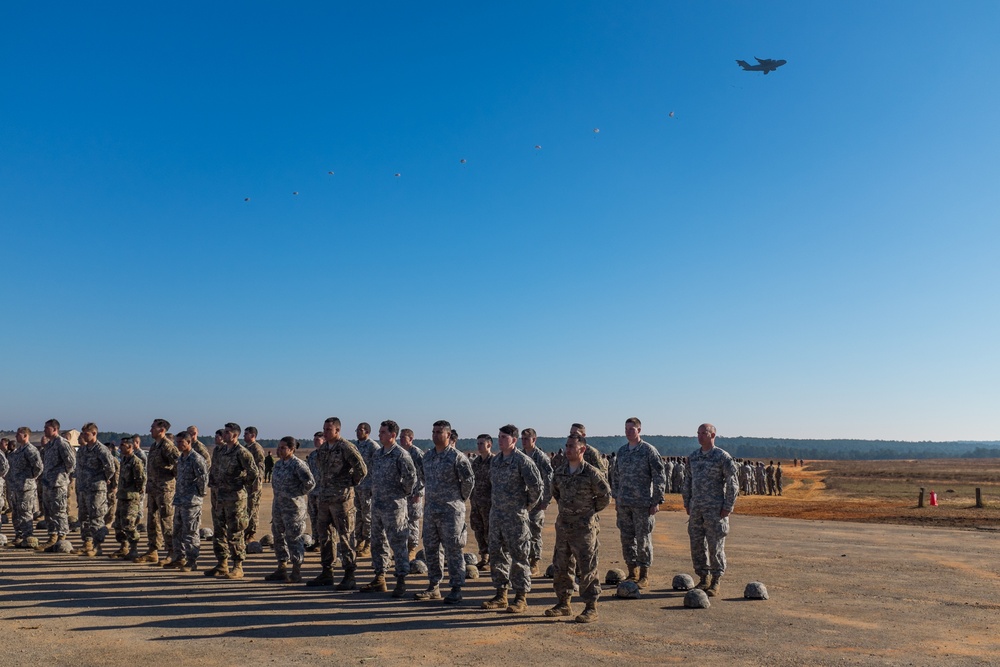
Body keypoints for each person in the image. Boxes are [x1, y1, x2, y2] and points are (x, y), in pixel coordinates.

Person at [546, 434, 611, 623]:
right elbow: (555, 492)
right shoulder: (560, 472)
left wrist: (588, 512)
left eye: (572, 446)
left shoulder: (591, 473)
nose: (568, 449)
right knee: (561, 566)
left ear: (582, 449)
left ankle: (591, 607)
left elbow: (605, 496)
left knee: (587, 567)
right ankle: (563, 603)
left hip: (584, 528)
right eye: (566, 446)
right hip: (564, 526)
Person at [482, 424, 543, 614]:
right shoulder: (496, 461)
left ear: (514, 440)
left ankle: (520, 597)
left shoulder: (522, 461)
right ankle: (501, 595)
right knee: (497, 555)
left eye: (504, 437)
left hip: (516, 517)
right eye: (499, 437)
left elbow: (537, 487)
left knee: (519, 557)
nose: (500, 440)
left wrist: (526, 507)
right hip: (497, 516)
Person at [417, 419, 474, 604]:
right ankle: (434, 586)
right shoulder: (428, 457)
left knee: (453, 550)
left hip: (451, 512)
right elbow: (423, 477)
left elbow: (468, 482)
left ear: (448, 435)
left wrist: (458, 500)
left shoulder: (457, 457)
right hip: (431, 510)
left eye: (439, 432)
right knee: (431, 549)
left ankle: (456, 588)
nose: (435, 435)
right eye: (433, 432)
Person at [360, 420, 417, 597]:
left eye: (383, 432)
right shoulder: (377, 454)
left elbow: (411, 480)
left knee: (398, 544)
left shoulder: (401, 455)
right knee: (378, 543)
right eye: (379, 431)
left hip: (394, 507)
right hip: (377, 506)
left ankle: (401, 581)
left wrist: (399, 494)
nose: (380, 434)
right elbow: (372, 476)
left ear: (393, 435)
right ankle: (380, 577)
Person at [308, 417, 367, 590]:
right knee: (325, 536)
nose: (325, 432)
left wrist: (348, 484)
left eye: (329, 429)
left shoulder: (345, 447)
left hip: (342, 500)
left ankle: (350, 575)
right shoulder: (324, 449)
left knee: (345, 537)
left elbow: (361, 469)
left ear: (337, 431)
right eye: (324, 429)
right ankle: (327, 572)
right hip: (325, 499)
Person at [682, 423, 739, 597]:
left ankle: (715, 581)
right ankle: (703, 578)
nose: (699, 436)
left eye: (703, 433)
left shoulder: (722, 457)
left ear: (713, 435)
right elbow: (687, 481)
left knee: (715, 547)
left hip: (716, 511)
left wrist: (728, 506)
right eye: (698, 433)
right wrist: (687, 502)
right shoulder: (693, 457)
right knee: (697, 545)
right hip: (697, 510)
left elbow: (733, 484)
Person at [611, 417, 666, 589]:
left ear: (639, 430)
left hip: (643, 504)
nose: (628, 432)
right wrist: (616, 498)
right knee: (626, 539)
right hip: (624, 503)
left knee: (643, 540)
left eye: (632, 429)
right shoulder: (622, 452)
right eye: (626, 429)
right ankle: (632, 572)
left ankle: (644, 575)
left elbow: (659, 476)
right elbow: (616, 476)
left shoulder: (648, 451)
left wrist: (656, 500)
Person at [206, 422, 259, 579]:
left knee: (235, 531)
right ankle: (222, 563)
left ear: (235, 435)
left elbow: (254, 475)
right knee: (219, 531)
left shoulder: (242, 453)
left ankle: (238, 566)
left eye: (228, 432)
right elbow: (214, 471)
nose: (224, 434)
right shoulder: (220, 451)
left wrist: (240, 484)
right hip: (220, 497)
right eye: (224, 431)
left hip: (235, 499)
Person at [266, 436, 315, 583]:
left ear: (291, 449)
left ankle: (296, 571)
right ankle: (281, 568)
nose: (279, 450)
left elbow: (310, 483)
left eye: (283, 448)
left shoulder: (298, 465)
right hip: (279, 507)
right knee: (278, 537)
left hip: (293, 509)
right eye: (278, 447)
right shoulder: (278, 465)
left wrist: (296, 493)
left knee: (294, 538)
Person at [134, 419, 179, 564]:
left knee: (166, 520)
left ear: (162, 430)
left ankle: (172, 551)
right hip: (153, 488)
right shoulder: (154, 446)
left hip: (165, 490)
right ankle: (153, 550)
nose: (150, 430)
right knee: (152, 520)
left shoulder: (168, 446)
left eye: (153, 428)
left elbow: (178, 465)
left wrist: (171, 480)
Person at [165, 430, 208, 571]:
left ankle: (192, 561)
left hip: (191, 502)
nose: (178, 445)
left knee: (190, 532)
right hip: (179, 500)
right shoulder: (181, 459)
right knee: (177, 531)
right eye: (177, 442)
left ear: (189, 442)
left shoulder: (196, 459)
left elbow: (203, 479)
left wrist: (198, 495)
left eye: (181, 442)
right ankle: (179, 558)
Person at [73, 423, 116, 557]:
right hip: (83, 488)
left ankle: (98, 546)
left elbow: (111, 468)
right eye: (83, 433)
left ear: (94, 434)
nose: (83, 436)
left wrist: (102, 479)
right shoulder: (83, 450)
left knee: (96, 517)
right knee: (83, 517)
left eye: (86, 433)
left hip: (96, 489)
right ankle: (87, 543)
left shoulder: (101, 450)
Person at [38, 419, 76, 552]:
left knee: (59, 511)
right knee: (48, 511)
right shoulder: (50, 445)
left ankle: (61, 538)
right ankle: (52, 538)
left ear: (55, 429)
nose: (44, 430)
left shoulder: (61, 443)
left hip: (58, 484)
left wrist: (62, 476)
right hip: (48, 483)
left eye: (46, 428)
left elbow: (71, 462)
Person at [520, 428, 553, 576]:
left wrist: (546, 500)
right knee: (522, 532)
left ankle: (535, 562)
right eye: (522, 438)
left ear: (534, 440)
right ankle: (525, 559)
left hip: (537, 502)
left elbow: (549, 479)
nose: (524, 441)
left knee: (534, 532)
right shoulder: (520, 455)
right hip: (523, 501)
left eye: (527, 439)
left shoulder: (540, 457)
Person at [109, 436, 146, 560]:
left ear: (130, 447)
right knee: (119, 524)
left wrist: (136, 492)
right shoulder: (124, 460)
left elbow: (141, 479)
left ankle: (134, 549)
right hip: (122, 496)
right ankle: (124, 547)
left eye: (122, 446)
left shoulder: (136, 461)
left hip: (131, 498)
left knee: (129, 524)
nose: (119, 448)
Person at [7, 427, 43, 547]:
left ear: (25, 435)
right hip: (16, 487)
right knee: (16, 512)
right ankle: (19, 536)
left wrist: (32, 477)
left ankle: (28, 537)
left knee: (25, 512)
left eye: (18, 434)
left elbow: (38, 466)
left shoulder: (30, 450)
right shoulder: (18, 451)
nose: (16, 436)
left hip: (26, 487)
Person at [353, 422, 379, 556]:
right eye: (357, 430)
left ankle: (369, 543)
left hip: (368, 487)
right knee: (358, 516)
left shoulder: (373, 446)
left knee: (368, 516)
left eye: (360, 430)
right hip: (357, 487)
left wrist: (374, 486)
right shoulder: (355, 446)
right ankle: (359, 540)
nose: (358, 432)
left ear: (367, 432)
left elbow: (378, 467)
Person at [399, 428, 424, 561]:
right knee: (402, 521)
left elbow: (422, 475)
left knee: (413, 521)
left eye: (404, 437)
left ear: (411, 439)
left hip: (414, 493)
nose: (401, 439)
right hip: (403, 493)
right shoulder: (400, 452)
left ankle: (412, 549)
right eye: (400, 437)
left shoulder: (416, 453)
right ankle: (403, 548)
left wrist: (419, 493)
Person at [469, 434, 494, 567]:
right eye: (478, 443)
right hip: (476, 502)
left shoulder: (495, 462)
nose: (479, 446)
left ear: (489, 445)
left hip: (490, 504)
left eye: (481, 443)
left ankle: (492, 558)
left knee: (489, 531)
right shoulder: (476, 462)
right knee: (478, 529)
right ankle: (484, 557)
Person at [242, 426, 266, 542]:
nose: (244, 436)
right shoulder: (246, 448)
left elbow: (260, 466)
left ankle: (251, 533)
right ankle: (245, 531)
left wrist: (257, 483)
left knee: (253, 509)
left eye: (246, 434)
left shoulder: (256, 448)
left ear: (253, 435)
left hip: (254, 484)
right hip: (246, 484)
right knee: (246, 509)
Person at [305, 431, 324, 551]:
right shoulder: (312, 455)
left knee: (323, 519)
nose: (316, 441)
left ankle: (324, 542)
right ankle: (316, 540)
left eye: (318, 439)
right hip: (312, 492)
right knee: (313, 517)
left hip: (323, 492)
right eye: (315, 439)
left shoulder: (328, 455)